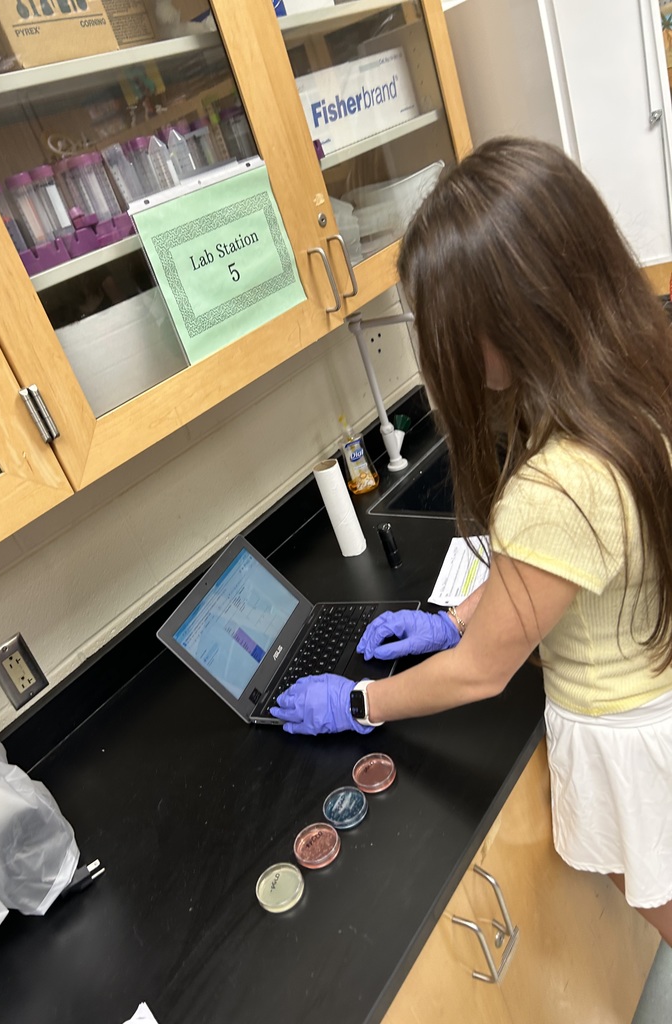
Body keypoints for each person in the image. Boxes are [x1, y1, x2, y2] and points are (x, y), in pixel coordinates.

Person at [270, 136, 672, 944]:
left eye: (445, 323)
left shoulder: (556, 483)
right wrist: (455, 617)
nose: (439, 344)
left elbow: (484, 674)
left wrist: (356, 702)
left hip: (630, 733)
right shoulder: (638, 374)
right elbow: (567, 566)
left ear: (515, 316)